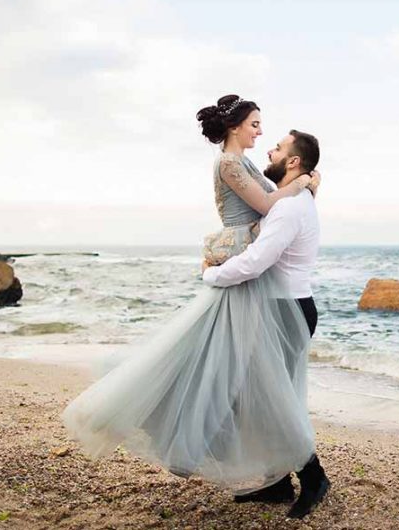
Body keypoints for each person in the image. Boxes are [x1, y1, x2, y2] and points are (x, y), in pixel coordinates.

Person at [61, 95, 319, 502]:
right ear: (235, 127)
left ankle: (275, 478)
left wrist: (303, 183)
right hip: (244, 277)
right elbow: (270, 203)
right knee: (223, 372)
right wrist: (303, 183)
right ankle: (268, 471)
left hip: (252, 280)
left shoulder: (247, 164)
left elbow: (276, 202)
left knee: (247, 381)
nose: (260, 132)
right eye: (254, 124)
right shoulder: (229, 163)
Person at [202, 128, 330, 519]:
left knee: (278, 402)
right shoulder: (295, 200)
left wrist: (211, 274)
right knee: (261, 397)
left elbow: (257, 260)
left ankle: (314, 479)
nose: (269, 151)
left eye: (277, 148)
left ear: (293, 161)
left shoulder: (289, 209)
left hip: (285, 311)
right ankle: (276, 483)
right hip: (284, 307)